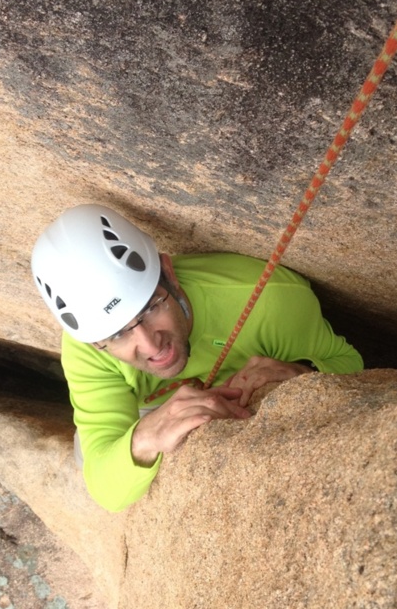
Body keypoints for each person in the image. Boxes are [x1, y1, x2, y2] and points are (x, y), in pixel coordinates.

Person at [31, 203, 363, 512]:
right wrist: (145, 436)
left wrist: (301, 372)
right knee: (86, 453)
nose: (150, 345)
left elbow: (350, 364)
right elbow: (106, 490)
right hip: (150, 407)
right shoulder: (88, 348)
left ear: (169, 274)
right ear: (92, 343)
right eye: (118, 334)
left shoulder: (271, 303)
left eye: (150, 307)